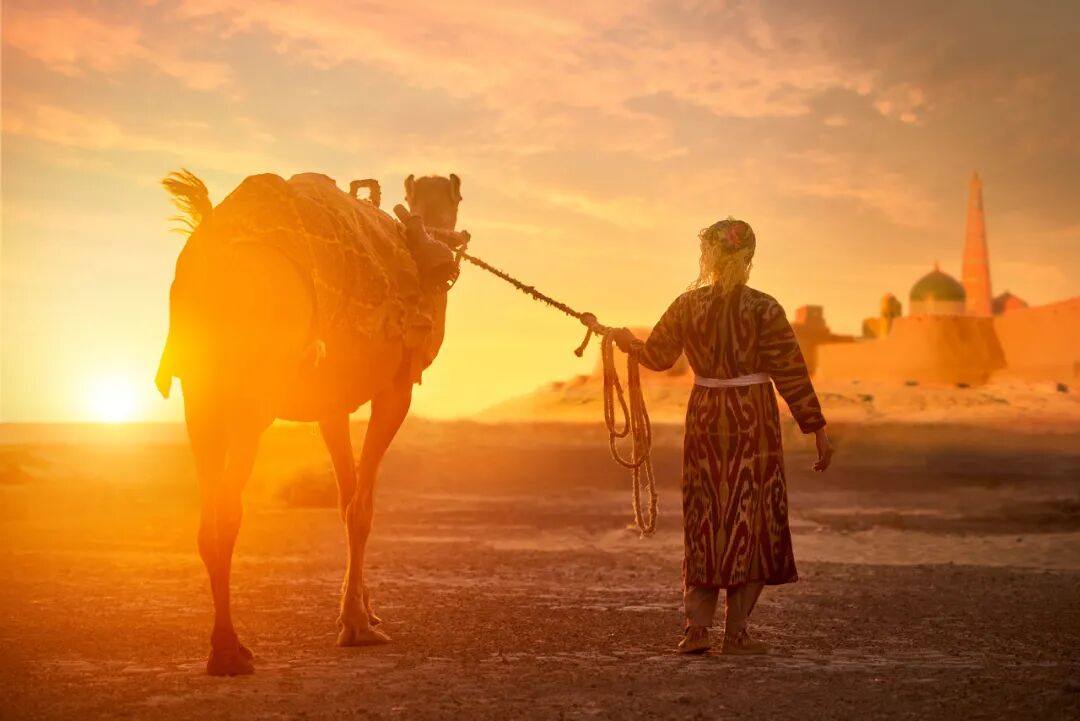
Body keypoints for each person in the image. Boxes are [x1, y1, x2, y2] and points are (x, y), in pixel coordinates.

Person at [612, 218, 833, 655]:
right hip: (754, 415)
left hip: (706, 414)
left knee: (705, 516)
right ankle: (736, 635)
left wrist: (625, 342)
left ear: (707, 256)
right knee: (751, 516)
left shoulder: (687, 305)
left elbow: (655, 356)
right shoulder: (765, 308)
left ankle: (696, 630)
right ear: (749, 257)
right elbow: (791, 372)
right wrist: (817, 429)